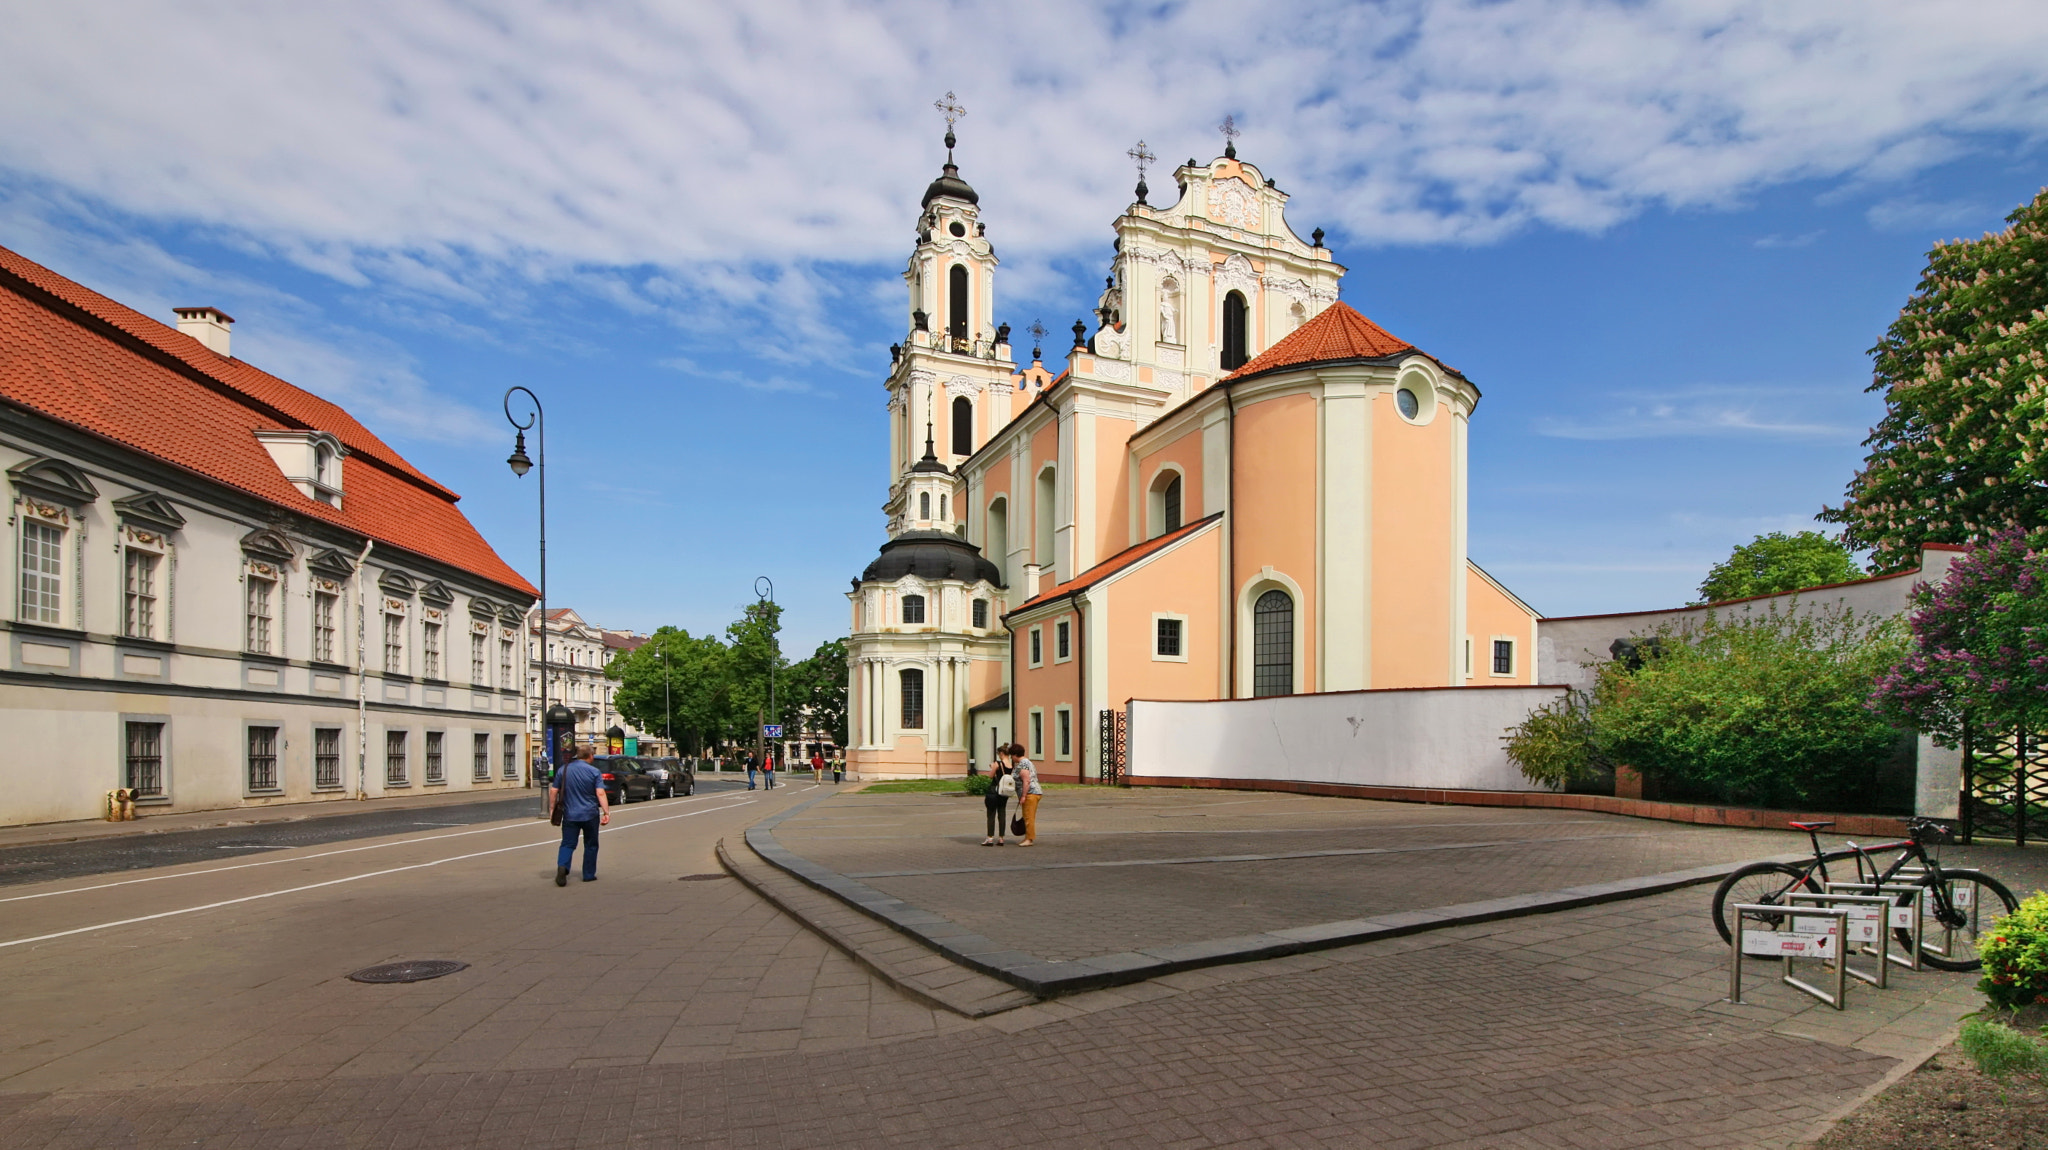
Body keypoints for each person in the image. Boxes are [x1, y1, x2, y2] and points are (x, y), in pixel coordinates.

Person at [548, 742, 609, 885]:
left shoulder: (564, 770)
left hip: (570, 814)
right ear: (590, 756)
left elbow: (553, 791)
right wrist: (606, 812)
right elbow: (600, 793)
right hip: (590, 814)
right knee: (591, 844)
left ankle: (563, 866)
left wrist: (552, 809)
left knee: (568, 844)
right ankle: (588, 874)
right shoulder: (594, 772)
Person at [1009, 742, 1042, 846]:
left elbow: (1026, 781)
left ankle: (1029, 839)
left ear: (1015, 755)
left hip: (1030, 793)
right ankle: (1027, 837)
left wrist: (1023, 796)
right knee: (1027, 816)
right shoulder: (1025, 762)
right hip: (1032, 792)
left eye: (1011, 755)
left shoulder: (1023, 764)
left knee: (1028, 817)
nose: (1011, 758)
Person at [982, 753, 1012, 846]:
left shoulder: (998, 763)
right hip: (1004, 792)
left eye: (998, 754)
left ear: (1001, 753)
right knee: (1002, 814)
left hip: (994, 791)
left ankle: (990, 838)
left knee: (991, 815)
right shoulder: (1011, 765)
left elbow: (991, 776)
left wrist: (993, 767)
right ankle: (1001, 838)